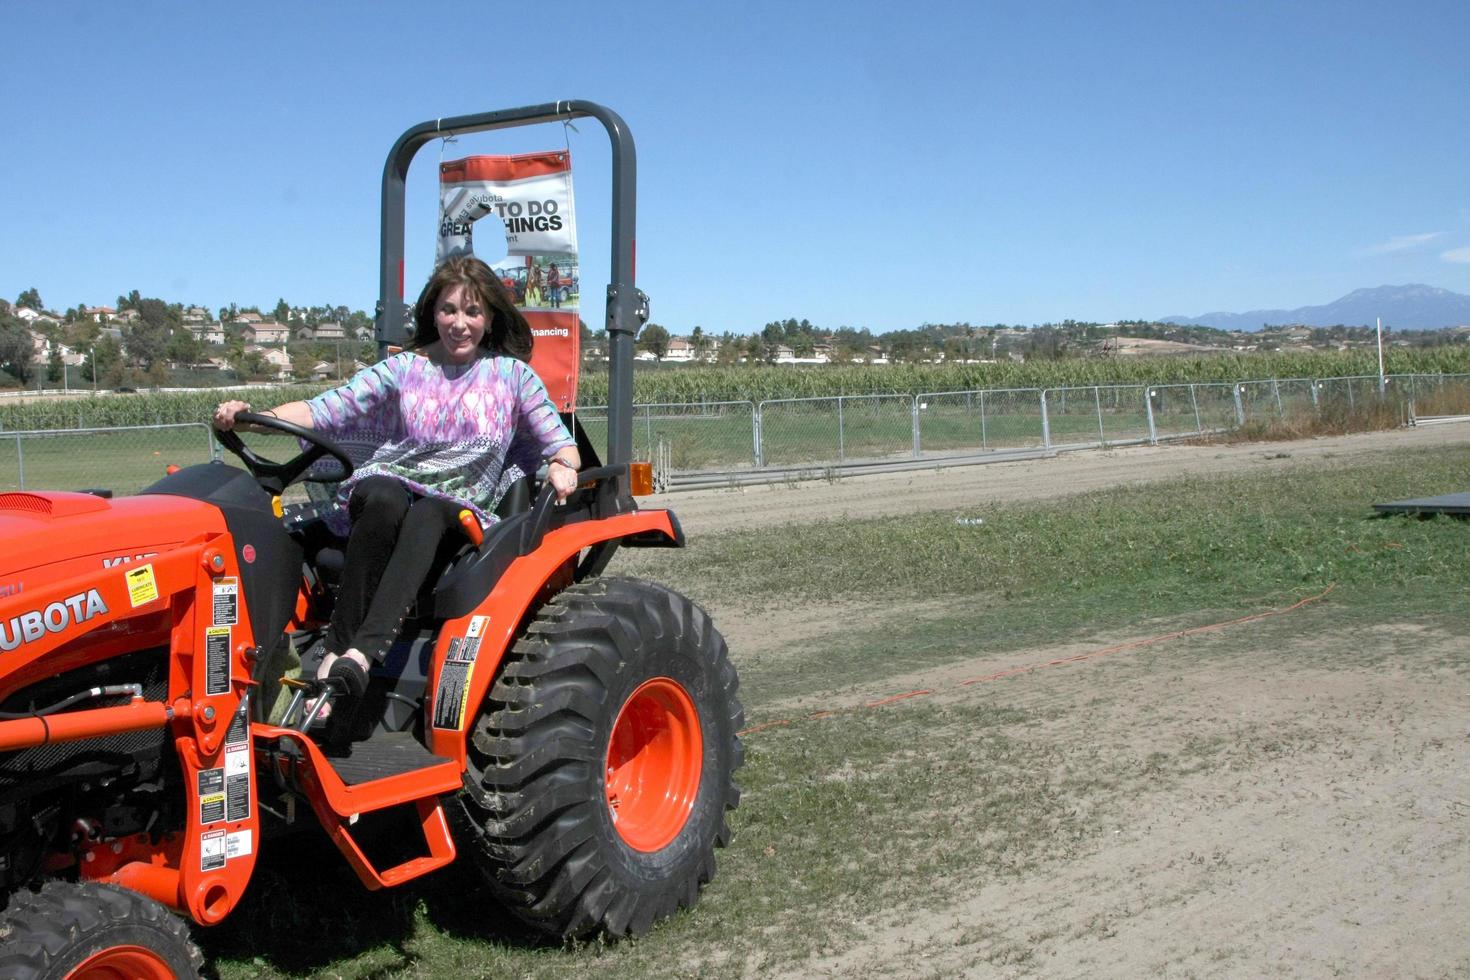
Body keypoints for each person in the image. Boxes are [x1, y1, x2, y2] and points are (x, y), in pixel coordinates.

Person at [213, 255, 580, 715]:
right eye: (449, 310)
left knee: (429, 511)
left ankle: (358, 656)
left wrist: (562, 465)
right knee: (382, 496)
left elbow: (561, 445)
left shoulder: (512, 377)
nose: (459, 324)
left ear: (489, 318)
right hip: (391, 484)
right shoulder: (406, 368)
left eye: (472, 312)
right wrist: (255, 419)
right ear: (434, 313)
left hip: (460, 504)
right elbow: (323, 410)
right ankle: (331, 653)